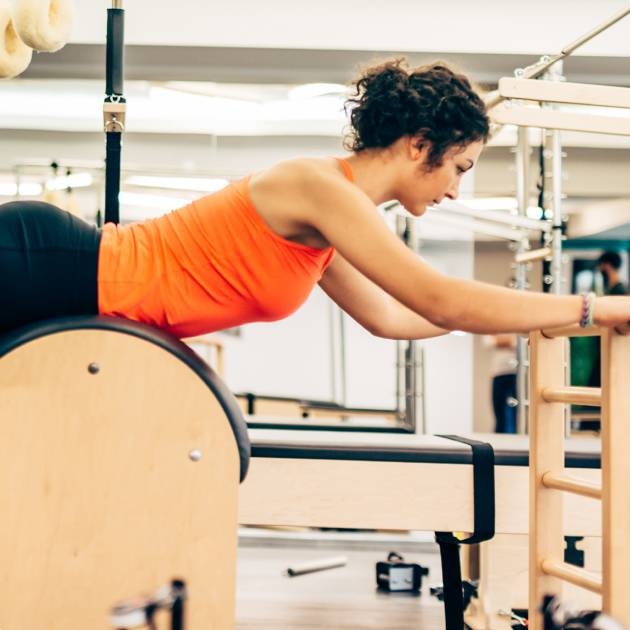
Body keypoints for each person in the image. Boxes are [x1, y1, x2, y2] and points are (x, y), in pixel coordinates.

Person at [1, 59, 630, 340]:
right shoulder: (322, 190)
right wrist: (594, 308)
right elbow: (441, 300)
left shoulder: (332, 226)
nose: (456, 189)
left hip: (69, 287)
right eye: (458, 167)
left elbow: (399, 319)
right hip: (45, 263)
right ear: (419, 145)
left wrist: (544, 316)